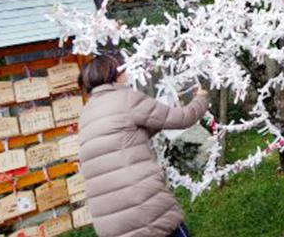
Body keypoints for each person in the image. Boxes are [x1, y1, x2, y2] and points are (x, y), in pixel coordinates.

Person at [78, 52, 209, 237]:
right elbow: (184, 118)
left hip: (111, 225)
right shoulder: (126, 98)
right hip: (145, 212)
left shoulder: (86, 114)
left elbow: (129, 137)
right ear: (117, 74)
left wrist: (160, 118)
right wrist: (201, 98)